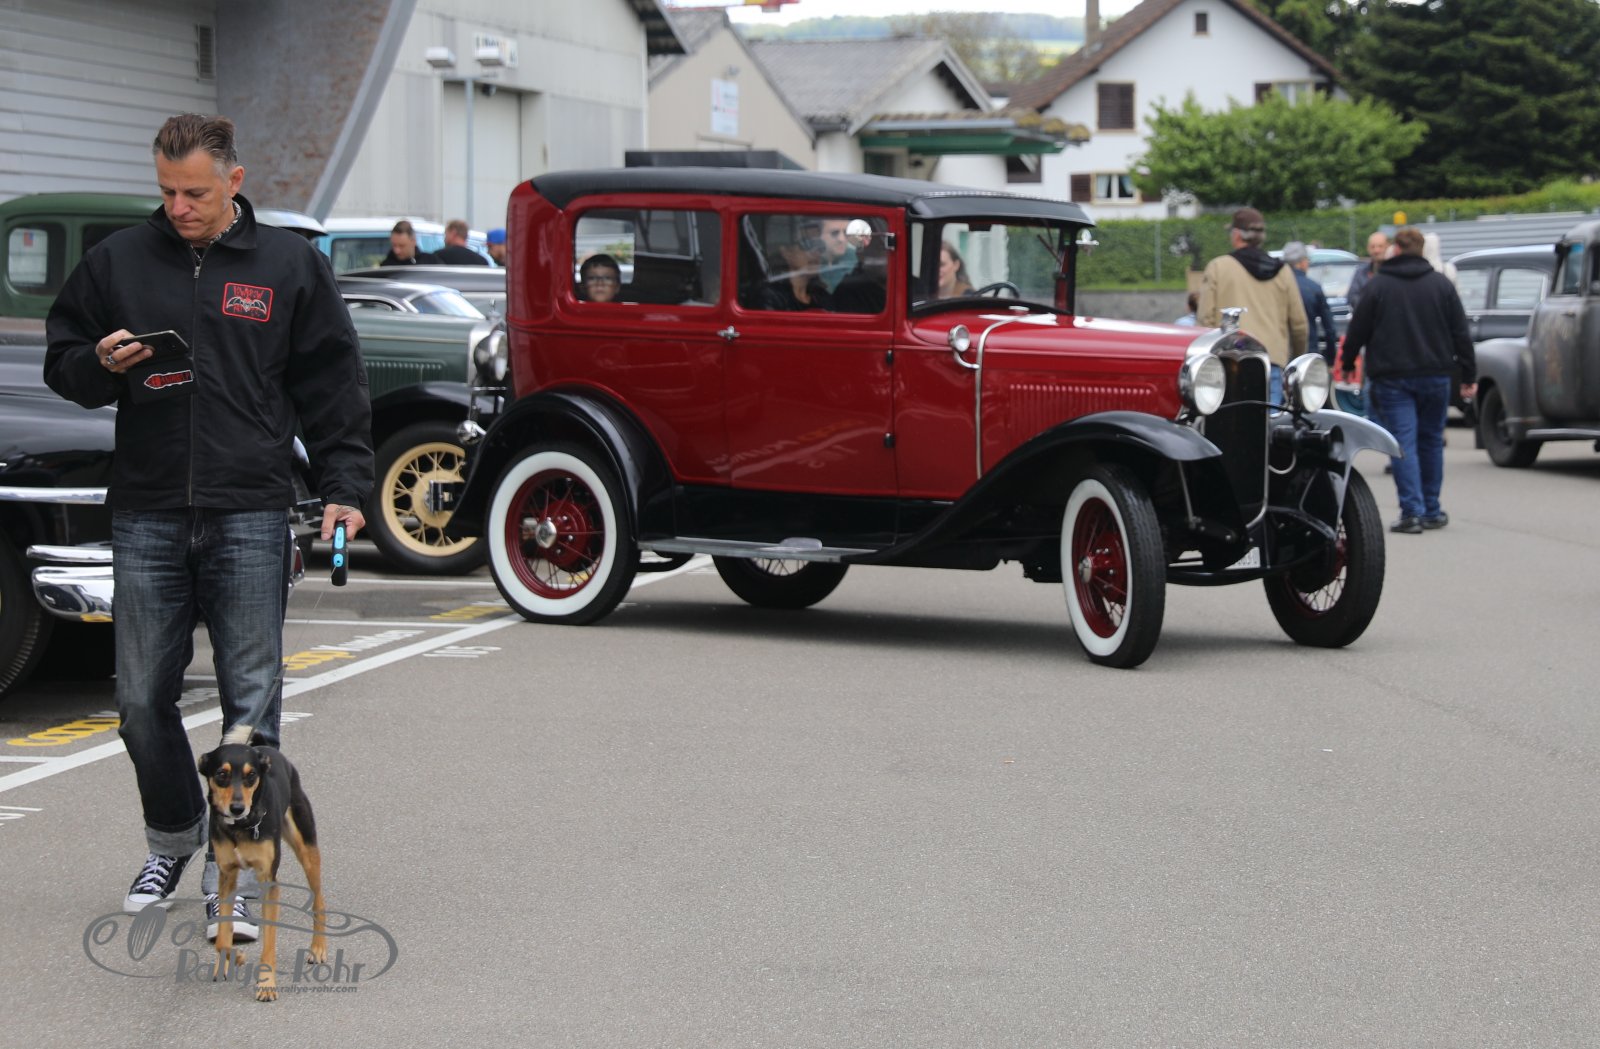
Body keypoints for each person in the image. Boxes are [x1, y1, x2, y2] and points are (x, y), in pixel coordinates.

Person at [42, 113, 373, 931]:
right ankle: (175, 835)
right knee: (138, 701)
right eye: (166, 192)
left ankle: (245, 870)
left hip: (251, 508)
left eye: (194, 192)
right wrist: (98, 364)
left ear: (234, 180)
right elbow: (63, 361)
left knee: (251, 705)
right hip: (148, 508)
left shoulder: (288, 265)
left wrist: (345, 483)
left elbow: (333, 382)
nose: (178, 207)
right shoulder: (118, 260)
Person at [1339, 226, 1475, 534]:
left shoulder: (1378, 285)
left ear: (1395, 250)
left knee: (1404, 443)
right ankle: (1432, 509)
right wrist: (1469, 374)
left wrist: (1347, 363)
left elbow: (1358, 329)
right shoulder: (1441, 285)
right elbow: (1460, 332)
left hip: (1392, 377)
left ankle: (1411, 512)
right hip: (1436, 375)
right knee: (1431, 442)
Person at [1198, 207, 1308, 407]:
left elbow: (1205, 319)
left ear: (1236, 235)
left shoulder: (1218, 268)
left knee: (1226, 419)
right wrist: (1297, 358)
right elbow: (1299, 324)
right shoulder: (1283, 271)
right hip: (1271, 359)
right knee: (1267, 419)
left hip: (1227, 360)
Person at [1282, 241, 1339, 363]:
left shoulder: (1278, 288)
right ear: (1302, 262)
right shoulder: (1314, 288)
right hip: (1309, 353)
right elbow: (1329, 329)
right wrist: (1330, 358)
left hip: (1281, 353)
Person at [757, 225, 831, 311]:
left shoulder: (822, 297)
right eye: (806, 244)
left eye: (819, 245)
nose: (815, 252)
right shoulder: (771, 296)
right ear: (786, 252)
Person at [1346, 229, 1390, 314]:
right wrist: (1370, 307)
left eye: (1380, 246)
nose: (1376, 250)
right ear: (1368, 248)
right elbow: (1352, 297)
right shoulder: (1360, 273)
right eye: (1372, 247)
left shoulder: (1395, 271)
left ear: (1388, 247)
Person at [818, 217, 856, 292]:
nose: (842, 239)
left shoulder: (854, 262)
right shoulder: (810, 264)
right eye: (834, 233)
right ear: (820, 236)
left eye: (846, 233)